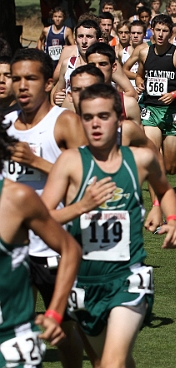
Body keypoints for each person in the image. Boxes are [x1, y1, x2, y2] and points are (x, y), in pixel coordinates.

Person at [41, 83, 176, 368]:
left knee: (111, 364)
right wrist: (82, 207)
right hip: (84, 282)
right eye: (88, 117)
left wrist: (173, 220)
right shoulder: (70, 162)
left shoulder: (140, 160)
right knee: (111, 360)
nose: (95, 124)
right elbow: (41, 218)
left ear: (119, 120)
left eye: (103, 116)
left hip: (128, 278)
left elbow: (165, 189)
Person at [5, 48, 90, 368]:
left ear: (49, 82)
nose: (22, 86)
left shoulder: (65, 122)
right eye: (17, 79)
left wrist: (37, 162)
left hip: (56, 243)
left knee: (66, 328)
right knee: (15, 326)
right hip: (14, 245)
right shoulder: (6, 124)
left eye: (31, 78)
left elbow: (87, 179)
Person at [0, 121, 81, 368]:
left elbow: (70, 249)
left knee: (72, 335)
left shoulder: (17, 198)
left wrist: (54, 313)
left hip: (11, 340)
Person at [127, 14, 176, 176]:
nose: (161, 34)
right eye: (157, 30)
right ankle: (158, 199)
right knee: (153, 154)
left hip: (171, 110)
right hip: (151, 109)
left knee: (171, 168)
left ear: (170, 33)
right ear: (152, 31)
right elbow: (138, 73)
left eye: (164, 31)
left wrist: (174, 94)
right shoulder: (144, 52)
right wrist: (139, 82)